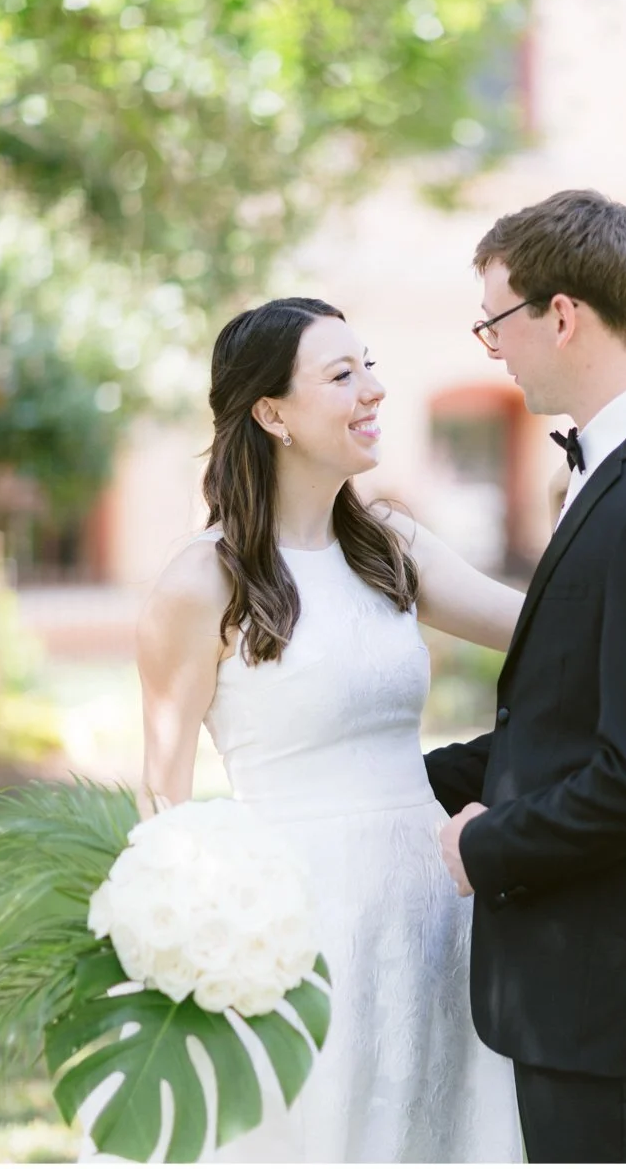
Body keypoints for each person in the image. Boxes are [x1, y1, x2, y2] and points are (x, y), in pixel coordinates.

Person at [122, 297, 527, 1162]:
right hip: (300, 926)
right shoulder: (204, 582)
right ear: (271, 413)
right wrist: (195, 944)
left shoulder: (391, 546)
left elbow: (542, 625)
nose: (373, 389)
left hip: (430, 906)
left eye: (369, 364)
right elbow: (163, 794)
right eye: (341, 375)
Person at [426, 189, 626, 1163]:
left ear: (560, 314)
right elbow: (568, 713)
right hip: (578, 995)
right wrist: (404, 785)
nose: (495, 348)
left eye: (497, 323)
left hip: (612, 999)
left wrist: (483, 848)